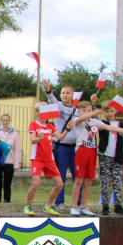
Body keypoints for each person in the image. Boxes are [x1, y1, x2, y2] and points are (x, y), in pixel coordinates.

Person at [69, 101, 123, 216]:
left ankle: (83, 206)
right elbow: (83, 118)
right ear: (79, 111)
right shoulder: (77, 120)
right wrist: (93, 113)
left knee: (89, 181)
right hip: (81, 151)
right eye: (84, 110)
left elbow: (108, 127)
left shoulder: (95, 122)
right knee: (79, 180)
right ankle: (74, 206)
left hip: (92, 151)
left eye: (89, 110)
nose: (87, 112)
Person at [24, 102, 70, 216]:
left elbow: (60, 137)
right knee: (35, 184)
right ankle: (28, 206)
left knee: (60, 184)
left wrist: (68, 129)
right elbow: (32, 140)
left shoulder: (50, 126)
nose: (47, 115)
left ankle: (49, 205)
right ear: (37, 113)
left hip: (50, 160)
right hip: (37, 159)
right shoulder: (33, 124)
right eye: (44, 112)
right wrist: (39, 139)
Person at [43, 80, 78, 210]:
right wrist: (48, 90)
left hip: (74, 148)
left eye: (68, 93)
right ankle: (59, 203)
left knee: (77, 177)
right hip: (61, 147)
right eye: (63, 93)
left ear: (73, 96)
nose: (65, 95)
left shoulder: (78, 110)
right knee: (60, 176)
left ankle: (78, 203)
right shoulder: (58, 106)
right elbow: (51, 99)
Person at [98, 101, 123, 216]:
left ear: (116, 111)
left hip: (118, 157)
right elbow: (93, 118)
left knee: (117, 181)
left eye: (111, 111)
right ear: (103, 112)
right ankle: (105, 205)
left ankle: (118, 205)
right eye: (107, 111)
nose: (110, 113)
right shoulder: (102, 124)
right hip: (105, 156)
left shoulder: (121, 125)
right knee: (105, 181)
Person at [0, 114, 22, 203]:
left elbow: (16, 149)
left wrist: (17, 163)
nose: (5, 122)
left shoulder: (15, 133)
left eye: (7, 120)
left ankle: (7, 200)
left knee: (7, 183)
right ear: (1, 121)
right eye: (3, 120)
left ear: (9, 121)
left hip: (9, 161)